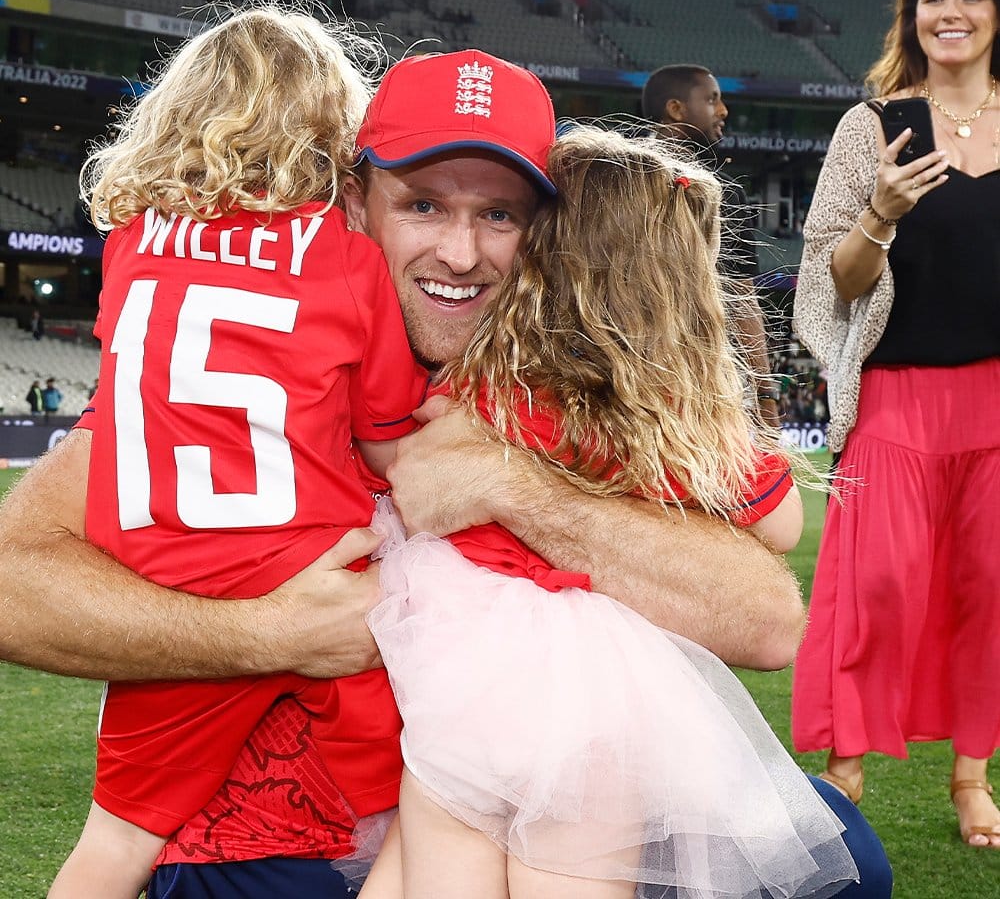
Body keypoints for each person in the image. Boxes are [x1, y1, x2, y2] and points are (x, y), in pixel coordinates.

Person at [0, 50, 890, 898]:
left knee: (842, 862)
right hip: (302, 824)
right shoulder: (250, 375)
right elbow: (12, 586)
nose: (460, 256)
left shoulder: (555, 386)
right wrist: (267, 635)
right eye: (423, 205)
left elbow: (769, 621)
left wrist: (517, 486)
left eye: (498, 216)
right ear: (353, 202)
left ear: (545, 235)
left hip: (524, 782)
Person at [350, 125, 857, 899]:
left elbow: (408, 471)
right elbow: (780, 524)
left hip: (462, 668)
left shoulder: (488, 382)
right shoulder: (668, 415)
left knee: (429, 866)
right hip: (597, 689)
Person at [47, 5, 429, 899]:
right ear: (333, 129)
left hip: (163, 583)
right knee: (432, 799)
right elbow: (383, 437)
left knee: (114, 841)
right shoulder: (345, 257)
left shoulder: (133, 244)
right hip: (311, 569)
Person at [791, 0, 1000, 850]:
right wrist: (881, 210)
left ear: (997, 12)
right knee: (874, 586)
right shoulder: (871, 126)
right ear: (912, 17)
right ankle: (844, 770)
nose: (950, 13)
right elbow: (829, 279)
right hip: (896, 396)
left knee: (990, 587)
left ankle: (971, 776)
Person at [642, 64, 781, 429]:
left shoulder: (614, 182)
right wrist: (765, 395)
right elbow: (742, 302)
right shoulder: (720, 192)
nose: (723, 111)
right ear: (676, 109)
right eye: (712, 99)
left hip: (626, 386)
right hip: (702, 395)